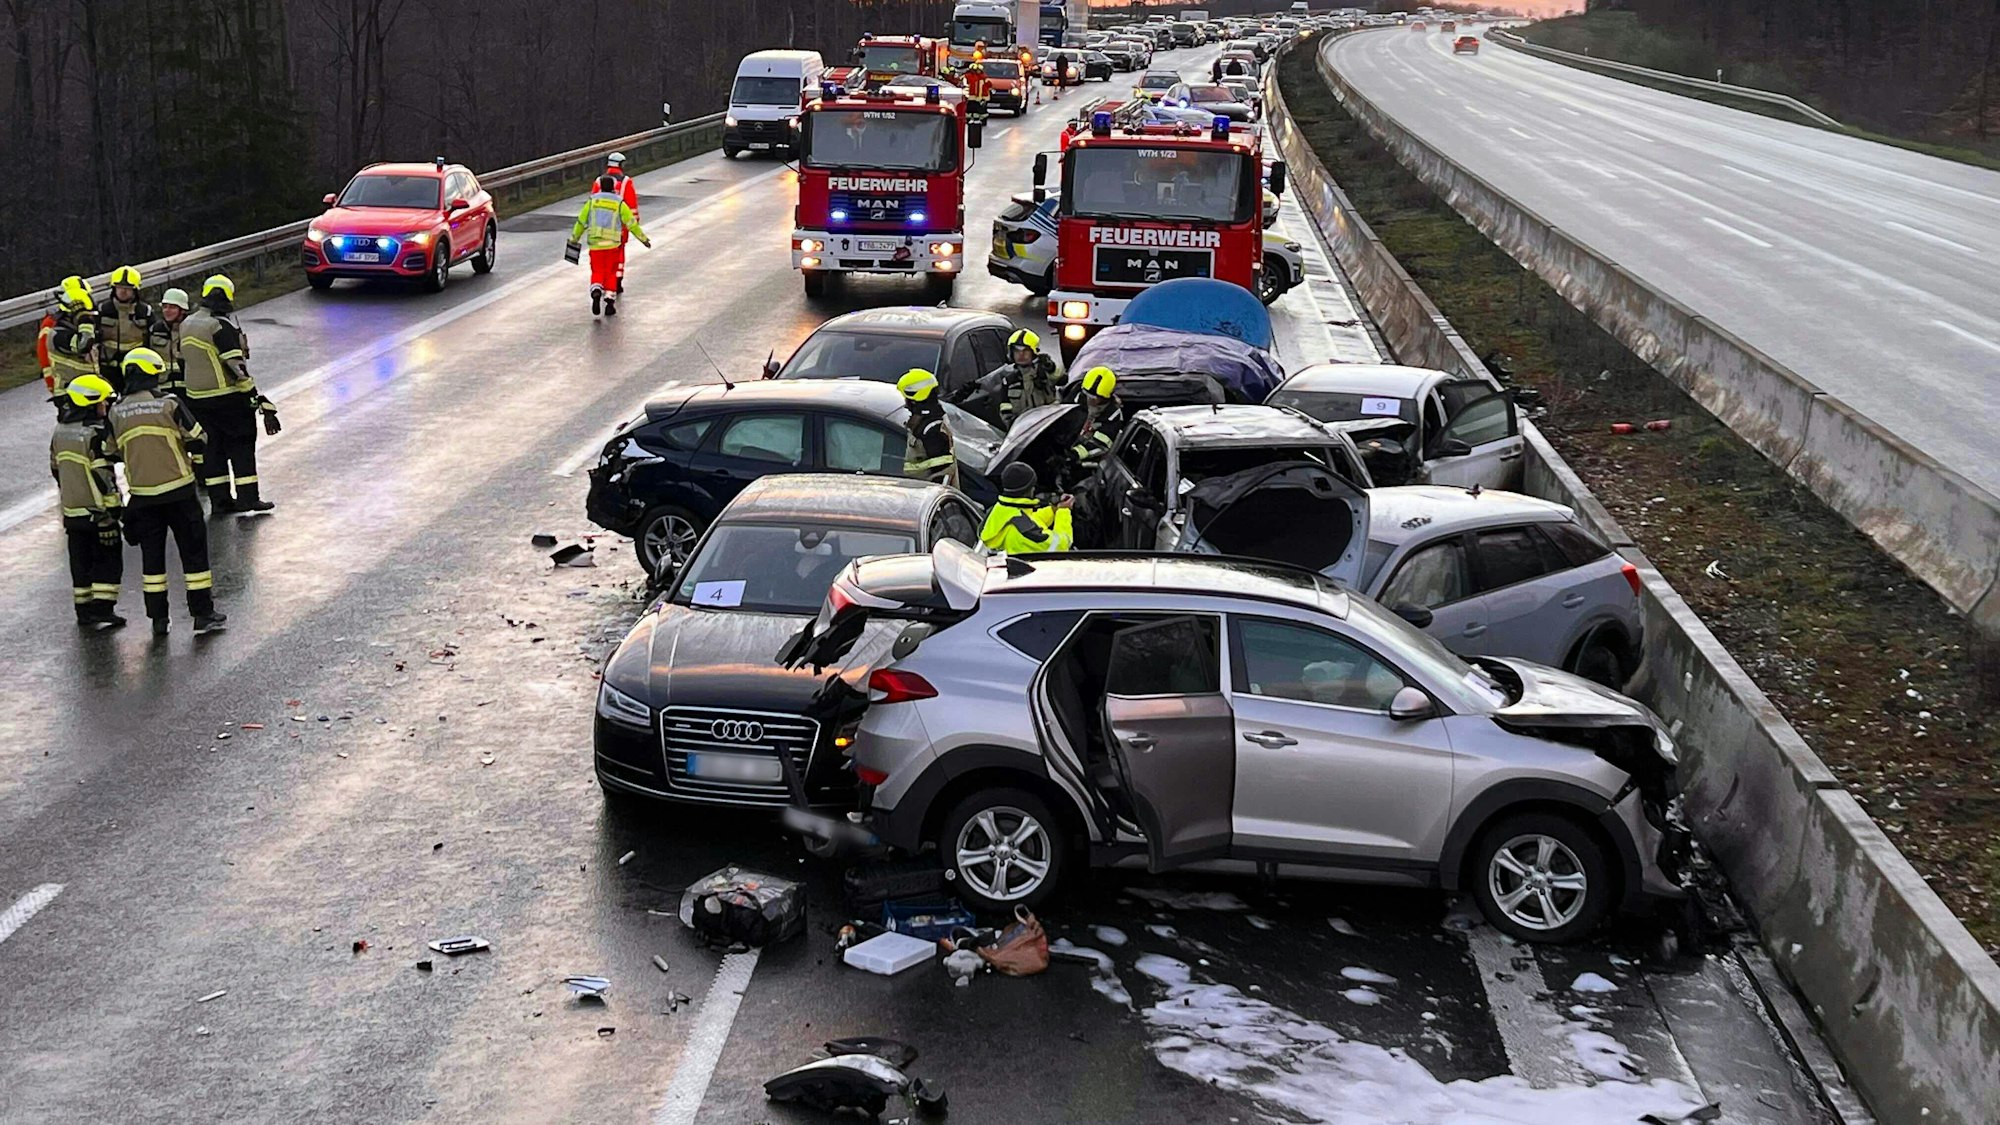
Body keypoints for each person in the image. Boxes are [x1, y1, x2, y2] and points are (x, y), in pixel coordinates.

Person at [107, 348, 225, 635]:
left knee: (153, 561)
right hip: (179, 492)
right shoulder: (169, 403)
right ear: (151, 374)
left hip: (143, 495)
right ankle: (202, 613)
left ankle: (158, 619)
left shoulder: (115, 411)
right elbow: (199, 437)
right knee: (193, 555)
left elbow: (110, 452)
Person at [179, 274, 275, 514]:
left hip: (197, 399)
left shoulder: (187, 323)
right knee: (241, 446)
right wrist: (253, 394)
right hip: (228, 399)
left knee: (213, 451)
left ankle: (220, 501)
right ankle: (247, 497)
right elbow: (236, 366)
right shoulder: (220, 326)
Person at [50, 374, 126, 629]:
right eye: (103, 403)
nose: (105, 408)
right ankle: (103, 609)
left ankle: (83, 610)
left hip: (72, 512)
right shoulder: (94, 434)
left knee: (80, 561)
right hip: (98, 513)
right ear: (91, 403)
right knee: (107, 558)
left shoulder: (60, 432)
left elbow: (56, 469)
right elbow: (104, 475)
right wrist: (113, 510)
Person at [569, 174, 652, 316]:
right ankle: (609, 302)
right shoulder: (619, 203)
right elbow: (631, 224)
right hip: (613, 246)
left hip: (595, 245)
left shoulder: (592, 202)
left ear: (600, 186)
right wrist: (644, 239)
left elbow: (581, 222)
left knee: (597, 271)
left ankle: (596, 290)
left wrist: (574, 239)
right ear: (614, 187)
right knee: (611, 273)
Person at [961, 327, 1060, 429]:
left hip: (1049, 427)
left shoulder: (1044, 371)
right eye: (1017, 351)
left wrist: (1050, 367)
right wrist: (1012, 425)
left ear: (1033, 352)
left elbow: (1062, 379)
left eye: (1025, 351)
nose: (1021, 355)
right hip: (1023, 432)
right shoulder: (1009, 378)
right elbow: (1004, 406)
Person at [979, 461, 1073, 554]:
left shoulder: (1002, 510)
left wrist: (1053, 510)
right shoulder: (1023, 531)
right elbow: (1062, 546)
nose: (1034, 489)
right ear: (1027, 490)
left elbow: (1032, 520)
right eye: (1032, 486)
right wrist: (1063, 511)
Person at [896, 368, 959, 487]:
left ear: (915, 398)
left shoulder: (931, 429)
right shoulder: (923, 422)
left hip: (923, 493)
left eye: (907, 398)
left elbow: (943, 471)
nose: (905, 403)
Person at [40, 275, 100, 401]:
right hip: (70, 393)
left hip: (88, 390)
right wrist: (85, 320)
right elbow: (83, 344)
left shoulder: (79, 327)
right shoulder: (56, 331)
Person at [98, 265, 155, 389]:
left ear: (135, 290)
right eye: (120, 287)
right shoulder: (103, 310)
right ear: (114, 288)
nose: (123, 291)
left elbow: (152, 342)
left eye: (128, 288)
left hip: (136, 370)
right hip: (108, 370)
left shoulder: (144, 312)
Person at [1068, 365, 1127, 473]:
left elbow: (1101, 444)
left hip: (1087, 465)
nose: (1089, 400)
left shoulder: (1113, 415)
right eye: (1087, 395)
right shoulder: (1075, 397)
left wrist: (1074, 454)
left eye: (1095, 398)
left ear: (1106, 397)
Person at [604, 152, 640, 293]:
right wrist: (634, 224)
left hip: (602, 225)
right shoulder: (626, 182)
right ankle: (617, 280)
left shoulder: (599, 181)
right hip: (620, 225)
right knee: (619, 253)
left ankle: (604, 280)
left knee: (603, 254)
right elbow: (632, 205)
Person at [147, 287, 191, 397]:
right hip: (163, 388)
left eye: (172, 307)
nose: (167, 310)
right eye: (165, 307)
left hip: (189, 388)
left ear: (183, 310)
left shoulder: (192, 329)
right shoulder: (155, 330)